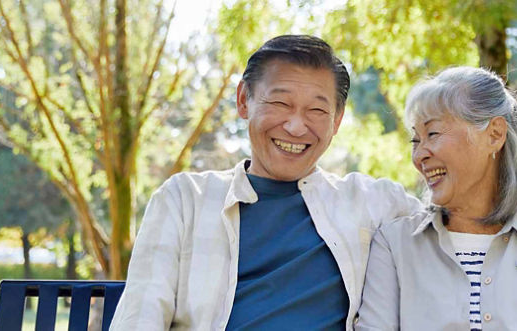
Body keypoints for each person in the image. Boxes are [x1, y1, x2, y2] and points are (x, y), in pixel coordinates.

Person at [110, 35, 420, 330]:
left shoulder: (374, 202)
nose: (296, 127)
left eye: (316, 110)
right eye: (280, 104)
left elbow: (457, 217)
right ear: (244, 100)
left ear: (336, 120)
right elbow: (141, 315)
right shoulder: (184, 200)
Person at [355, 67, 517, 330]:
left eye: (432, 134)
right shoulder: (393, 243)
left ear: (494, 134)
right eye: (416, 139)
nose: (419, 155)